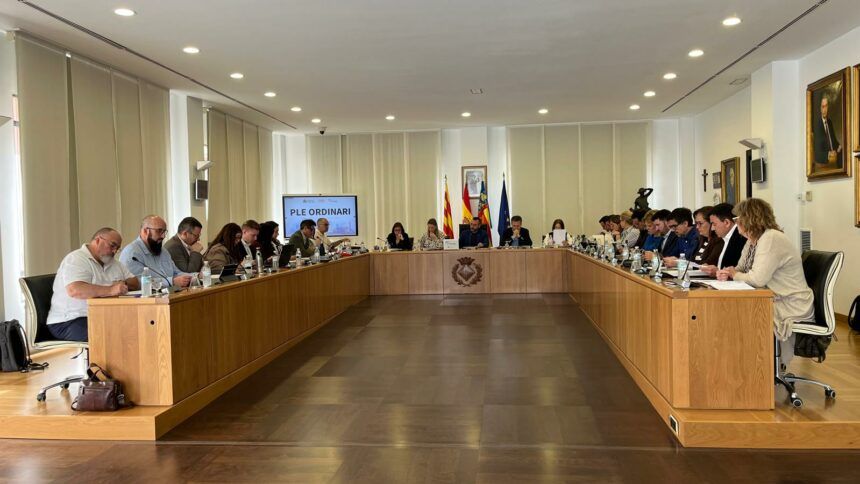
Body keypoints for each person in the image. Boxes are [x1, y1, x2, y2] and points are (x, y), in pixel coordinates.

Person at [716, 198, 813, 365]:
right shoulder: (753, 240)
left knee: (738, 314)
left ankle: (756, 366)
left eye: (737, 219)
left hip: (790, 303)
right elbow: (741, 269)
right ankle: (746, 364)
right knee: (732, 311)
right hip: (774, 298)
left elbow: (757, 279)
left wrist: (734, 274)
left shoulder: (771, 238)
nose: (736, 223)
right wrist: (728, 273)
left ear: (749, 218)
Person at [46, 228, 140, 342]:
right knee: (112, 336)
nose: (115, 251)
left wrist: (124, 283)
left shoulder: (113, 263)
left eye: (117, 248)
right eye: (112, 245)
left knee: (136, 328)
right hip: (70, 320)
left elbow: (135, 282)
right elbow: (75, 290)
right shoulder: (76, 259)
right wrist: (111, 290)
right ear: (98, 240)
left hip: (101, 316)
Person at [119, 215, 194, 288]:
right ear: (145, 231)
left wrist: (196, 276)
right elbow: (138, 283)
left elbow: (176, 273)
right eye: (159, 231)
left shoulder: (163, 251)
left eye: (164, 232)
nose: (163, 236)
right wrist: (172, 282)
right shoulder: (132, 253)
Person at [700, 203, 747, 277]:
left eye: (714, 224)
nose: (712, 229)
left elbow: (736, 271)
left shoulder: (740, 238)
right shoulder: (726, 237)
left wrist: (717, 272)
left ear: (727, 223)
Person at [812, 95, 842, 165]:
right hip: (825, 159)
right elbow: (817, 153)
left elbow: (834, 141)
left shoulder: (829, 122)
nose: (825, 110)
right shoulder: (817, 125)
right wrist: (829, 154)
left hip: (834, 155)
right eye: (823, 107)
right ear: (820, 108)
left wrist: (839, 146)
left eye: (826, 106)